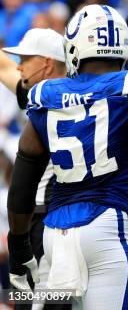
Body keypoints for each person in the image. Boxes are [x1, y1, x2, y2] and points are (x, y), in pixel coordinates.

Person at [6, 4, 128, 309]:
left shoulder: (46, 96)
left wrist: (18, 247)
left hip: (55, 236)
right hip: (108, 228)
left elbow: (21, 186)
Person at [0, 28, 68, 309]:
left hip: (46, 220)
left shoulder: (43, 99)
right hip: (71, 219)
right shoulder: (90, 98)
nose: (19, 64)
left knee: (38, 301)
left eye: (26, 59)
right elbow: (6, 67)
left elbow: (4, 68)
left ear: (47, 63)